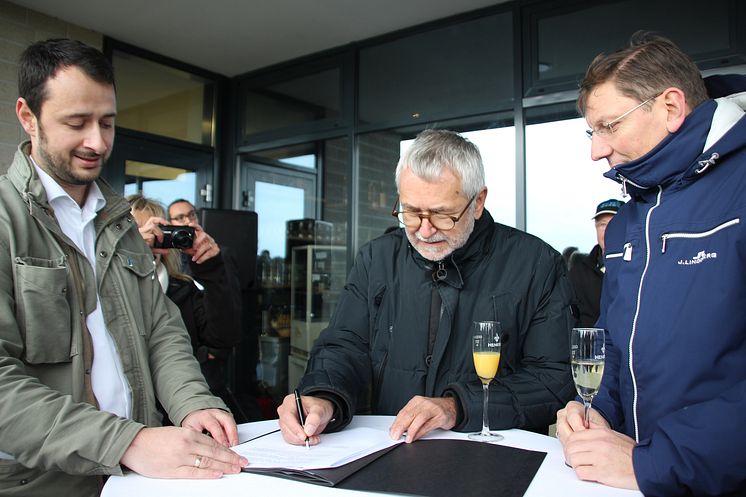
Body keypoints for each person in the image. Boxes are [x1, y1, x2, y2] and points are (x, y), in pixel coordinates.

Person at [0, 39, 246, 496]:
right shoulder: (4, 220)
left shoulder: (119, 223)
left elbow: (161, 331)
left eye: (107, 123)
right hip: (42, 484)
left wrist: (192, 403)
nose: (98, 142)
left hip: (136, 478)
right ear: (28, 116)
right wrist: (126, 441)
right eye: (77, 123)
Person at [278, 129, 575, 446]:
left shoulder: (537, 265)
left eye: (442, 214)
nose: (424, 229)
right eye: (411, 212)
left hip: (492, 456)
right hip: (390, 450)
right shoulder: (376, 258)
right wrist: (324, 396)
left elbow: (554, 378)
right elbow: (343, 346)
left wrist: (458, 406)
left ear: (478, 202)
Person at [555, 31, 746, 496]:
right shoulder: (626, 223)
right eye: (591, 131)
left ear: (671, 107)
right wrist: (597, 409)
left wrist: (654, 463)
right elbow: (617, 345)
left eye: (609, 126)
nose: (596, 151)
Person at [128, 195, 241, 404]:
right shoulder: (108, 289)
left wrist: (211, 268)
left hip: (181, 405)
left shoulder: (182, 288)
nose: (150, 237)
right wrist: (132, 253)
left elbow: (224, 336)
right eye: (139, 230)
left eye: (157, 230)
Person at [567, 199, 623, 327]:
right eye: (602, 225)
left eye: (614, 224)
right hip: (590, 344)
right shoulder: (577, 274)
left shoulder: (640, 271)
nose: (608, 230)